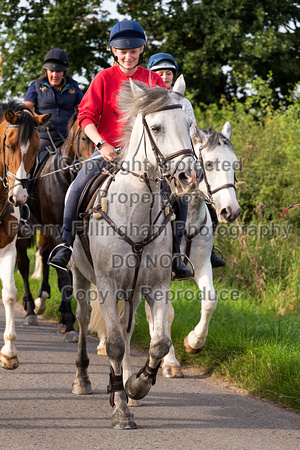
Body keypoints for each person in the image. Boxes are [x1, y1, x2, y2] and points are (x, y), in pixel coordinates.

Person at [49, 20, 193, 279]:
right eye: (122, 51)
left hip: (147, 155)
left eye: (134, 50)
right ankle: (66, 244)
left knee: (179, 194)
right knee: (78, 186)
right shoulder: (104, 78)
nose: (128, 56)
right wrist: (101, 144)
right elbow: (86, 117)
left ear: (142, 50)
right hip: (109, 150)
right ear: (113, 51)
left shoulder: (154, 80)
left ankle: (176, 254)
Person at [148, 52, 225, 268]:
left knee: (206, 197)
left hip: (182, 159)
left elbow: (192, 130)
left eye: (168, 73)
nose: (165, 77)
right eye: (160, 73)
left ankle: (207, 249)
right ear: (152, 76)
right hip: (157, 162)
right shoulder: (149, 102)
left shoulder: (184, 102)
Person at [24, 48, 83, 151]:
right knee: (32, 157)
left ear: (64, 72)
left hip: (69, 138)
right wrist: (41, 120)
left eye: (58, 71)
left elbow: (83, 110)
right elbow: (25, 109)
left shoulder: (74, 86)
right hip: (43, 136)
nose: (54, 75)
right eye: (51, 71)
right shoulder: (36, 85)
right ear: (46, 71)